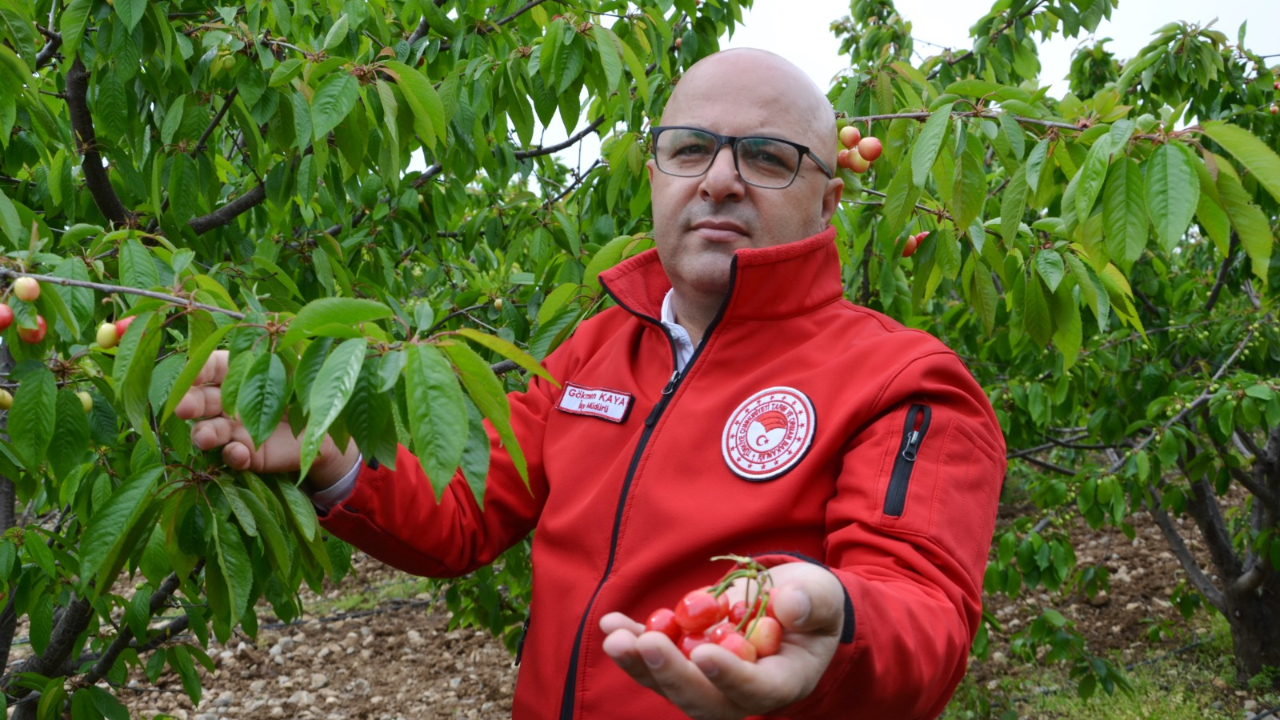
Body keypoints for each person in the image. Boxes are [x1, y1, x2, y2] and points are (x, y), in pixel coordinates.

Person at [176, 49, 1006, 720]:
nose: (720, 178)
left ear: (828, 202)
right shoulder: (596, 348)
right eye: (690, 148)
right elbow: (464, 513)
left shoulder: (906, 383)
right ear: (654, 176)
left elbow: (921, 612)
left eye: (766, 157)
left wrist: (840, 625)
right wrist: (330, 455)